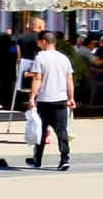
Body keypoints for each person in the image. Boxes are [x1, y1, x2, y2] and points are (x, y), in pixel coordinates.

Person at [25, 31, 76, 171]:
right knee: (62, 131)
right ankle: (65, 158)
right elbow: (69, 80)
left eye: (38, 41)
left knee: (40, 130)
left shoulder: (40, 58)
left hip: (44, 99)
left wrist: (31, 97)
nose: (37, 43)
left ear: (44, 41)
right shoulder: (64, 58)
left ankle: (37, 159)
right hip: (61, 99)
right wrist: (71, 98)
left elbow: (37, 78)